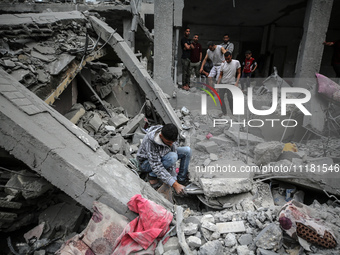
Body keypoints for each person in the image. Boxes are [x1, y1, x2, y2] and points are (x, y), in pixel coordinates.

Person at [136, 124, 191, 195]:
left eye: (172, 143)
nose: (171, 145)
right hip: (146, 163)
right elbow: (156, 166)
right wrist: (174, 184)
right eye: (168, 143)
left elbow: (173, 151)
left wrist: (174, 178)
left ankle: (181, 181)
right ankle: (152, 176)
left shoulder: (172, 135)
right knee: (172, 157)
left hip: (163, 156)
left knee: (187, 151)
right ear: (160, 136)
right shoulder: (150, 142)